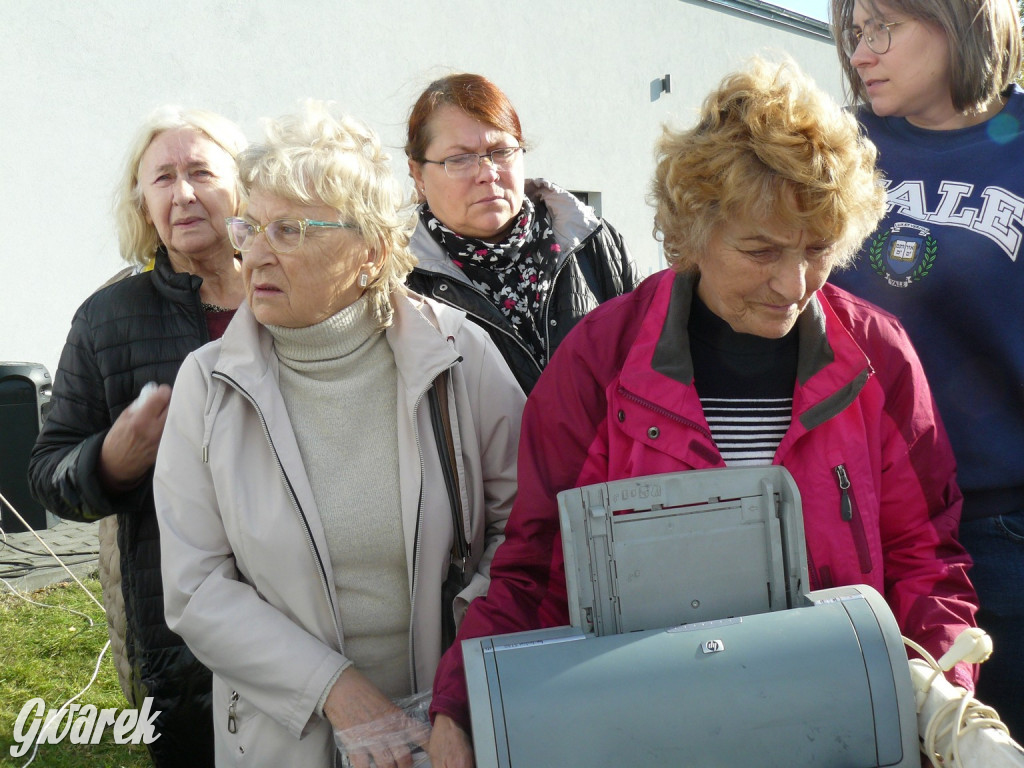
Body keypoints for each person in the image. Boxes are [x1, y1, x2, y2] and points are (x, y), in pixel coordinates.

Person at [426, 59, 981, 766]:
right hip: (645, 730)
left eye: (817, 250)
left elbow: (926, 558)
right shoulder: (602, 358)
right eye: (761, 250)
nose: (795, 284)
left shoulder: (877, 355)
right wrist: (461, 705)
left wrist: (945, 704)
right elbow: (533, 563)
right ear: (692, 231)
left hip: (841, 727)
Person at [152, 101, 524, 767]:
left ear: (370, 252)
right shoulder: (208, 384)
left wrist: (458, 698)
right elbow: (195, 586)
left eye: (289, 230)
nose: (255, 253)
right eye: (251, 227)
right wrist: (335, 690)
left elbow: (522, 534)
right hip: (283, 736)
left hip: (455, 732)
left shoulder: (459, 355)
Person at [28, 106, 247, 767]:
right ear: (142, 202)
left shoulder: (293, 297)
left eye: (201, 172)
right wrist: (109, 462)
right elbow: (49, 471)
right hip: (183, 647)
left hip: (317, 623)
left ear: (243, 184)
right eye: (162, 178)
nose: (182, 193)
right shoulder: (107, 318)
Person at [828, 0, 1024, 737]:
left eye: (884, 28)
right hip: (857, 524)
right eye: (852, 32)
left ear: (962, 22)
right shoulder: (831, 144)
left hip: (1000, 530)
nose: (861, 53)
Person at [405, 73, 641, 393]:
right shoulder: (400, 281)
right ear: (418, 174)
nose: (488, 174)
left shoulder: (592, 243)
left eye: (501, 151)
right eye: (459, 159)